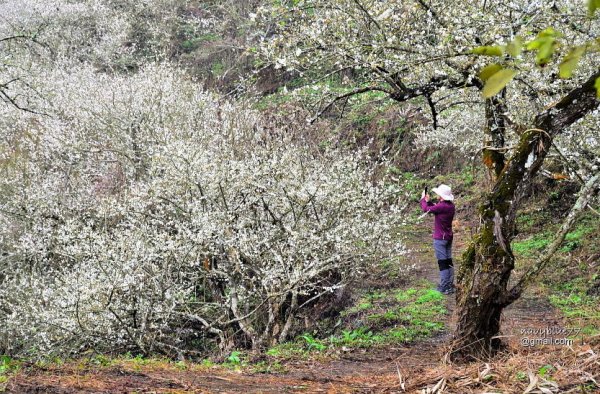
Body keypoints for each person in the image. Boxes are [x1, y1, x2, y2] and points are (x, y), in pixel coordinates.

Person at [420, 184, 456, 295]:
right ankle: (449, 284)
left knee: (443, 263)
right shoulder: (450, 205)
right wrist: (428, 202)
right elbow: (434, 208)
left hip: (441, 238)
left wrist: (423, 200)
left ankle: (445, 286)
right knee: (448, 261)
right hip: (448, 237)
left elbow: (426, 209)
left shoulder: (442, 206)